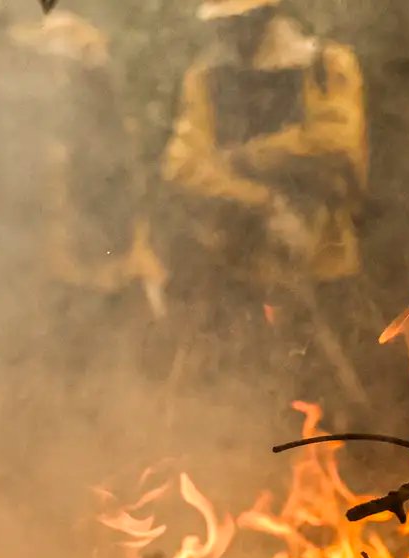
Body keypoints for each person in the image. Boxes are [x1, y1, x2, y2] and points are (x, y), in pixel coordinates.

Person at [160, 0, 371, 413]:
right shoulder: (206, 79)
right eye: (227, 23)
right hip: (233, 256)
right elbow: (183, 164)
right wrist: (262, 200)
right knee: (235, 390)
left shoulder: (324, 66)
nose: (235, 32)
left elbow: (335, 143)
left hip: (320, 257)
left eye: (243, 21)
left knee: (330, 390)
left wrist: (252, 156)